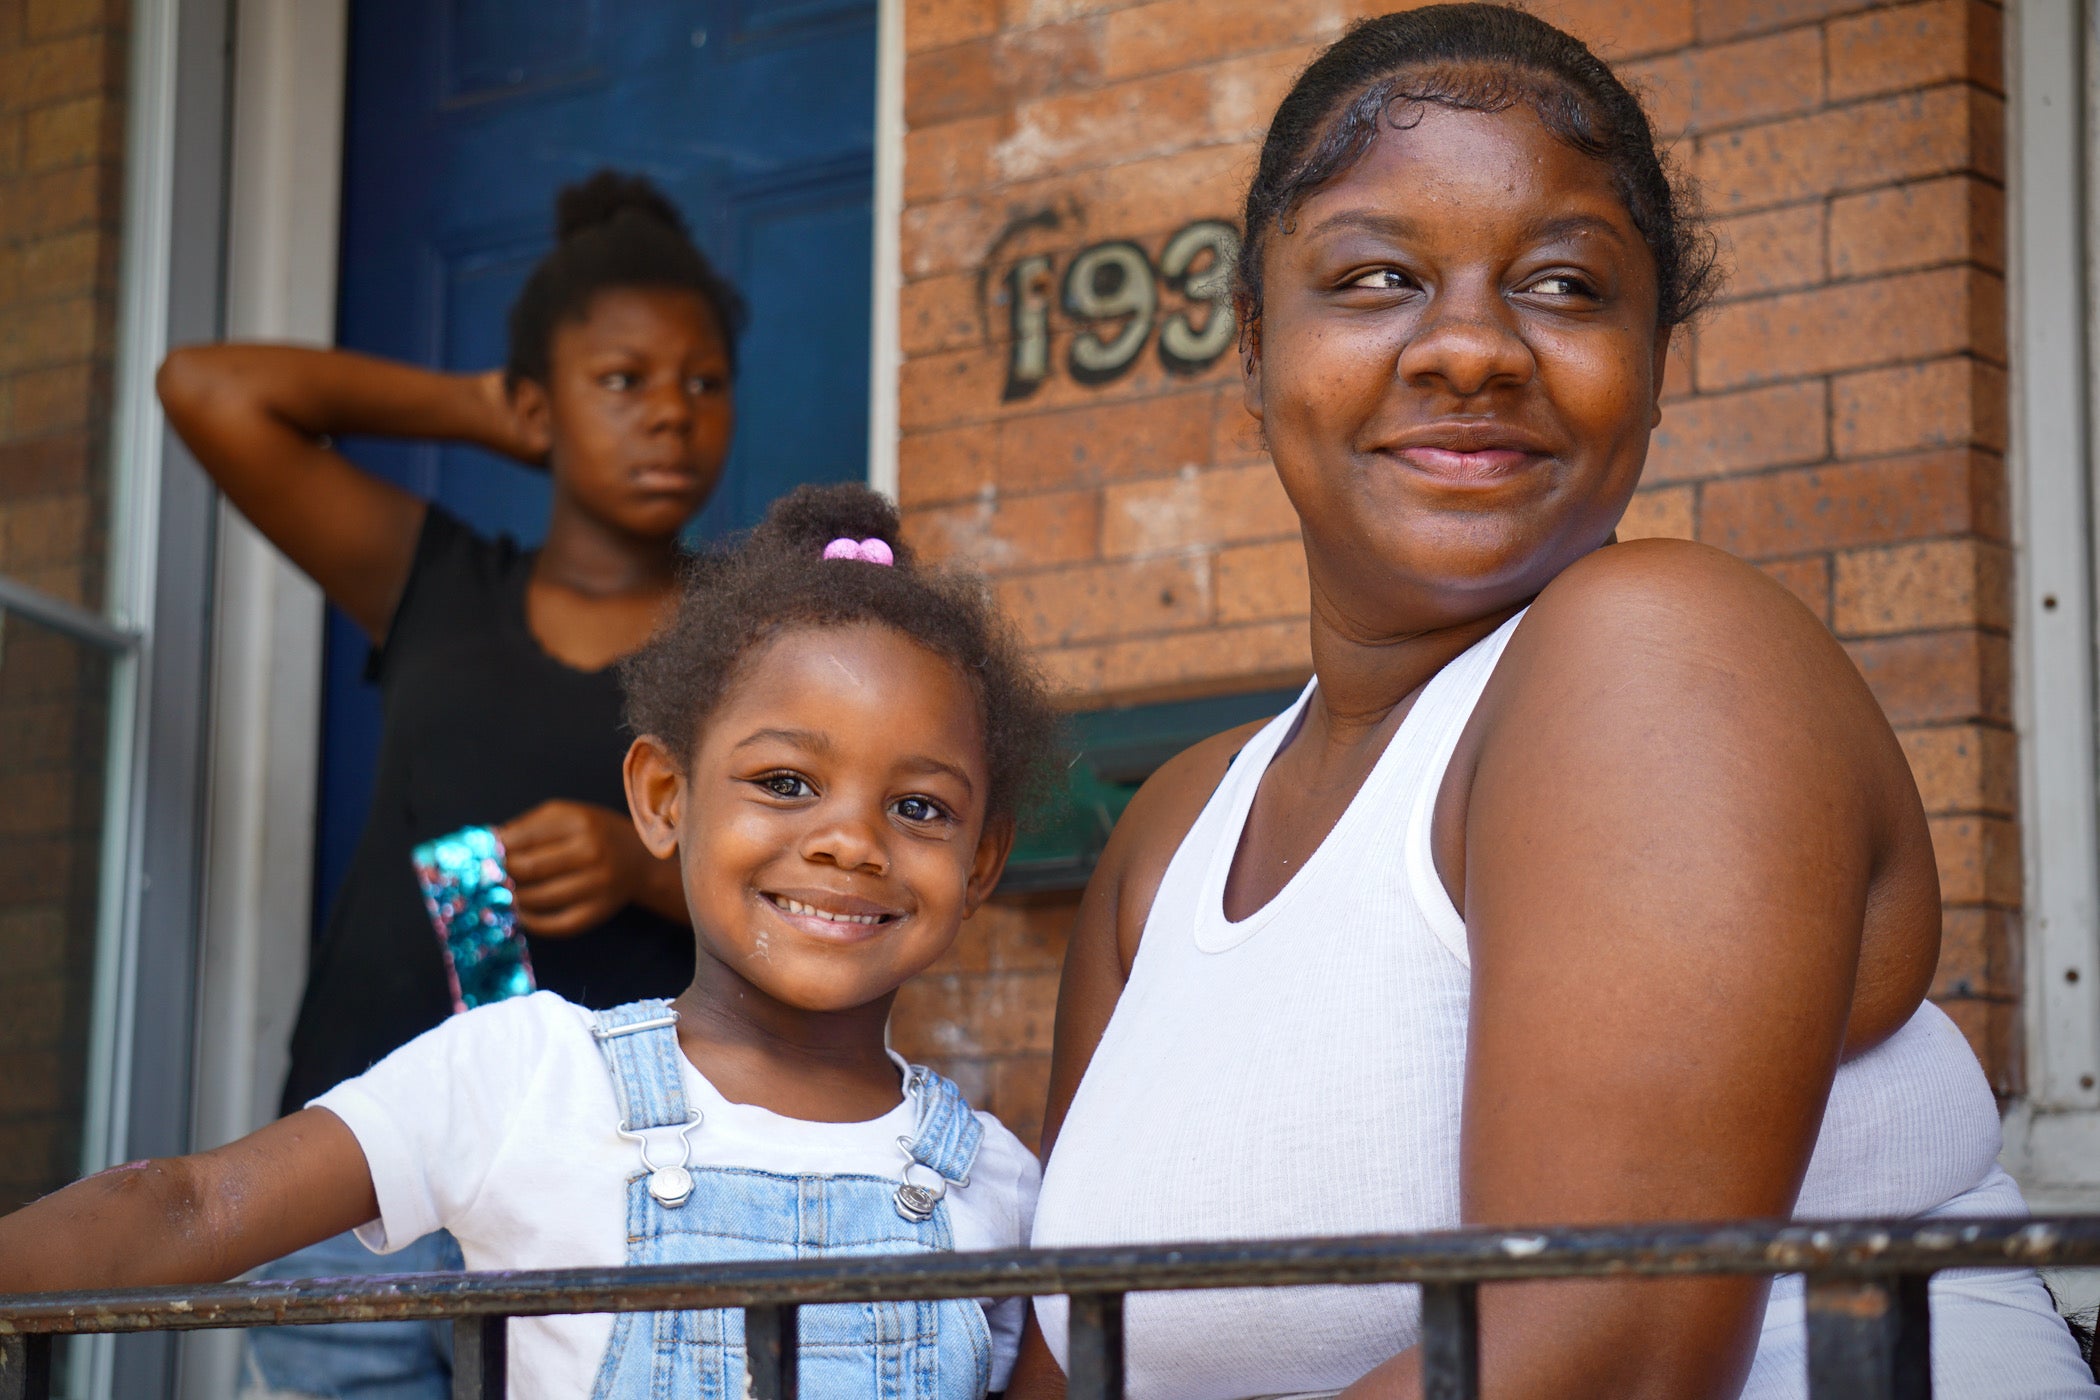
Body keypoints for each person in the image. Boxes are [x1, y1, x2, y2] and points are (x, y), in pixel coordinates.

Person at [1014, 8, 2099, 1399]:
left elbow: (1596, 1359)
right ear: (1253, 341)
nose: (1470, 350)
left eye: (1566, 288)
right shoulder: (1174, 835)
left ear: (1657, 363)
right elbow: (1064, 1354)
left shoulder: (1664, 656)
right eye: (1376, 276)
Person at [0, 484, 1057, 1400]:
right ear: (663, 797)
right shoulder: (520, 1078)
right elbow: (186, 1204)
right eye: (785, 782)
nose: (849, 841)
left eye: (919, 806)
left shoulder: (1004, 1187)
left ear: (980, 860)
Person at [153, 171, 744, 1396]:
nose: (673, 417)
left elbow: (810, 884)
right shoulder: (434, 583)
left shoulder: (752, 634)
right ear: (539, 401)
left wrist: (644, 869)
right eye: (621, 382)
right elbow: (206, 389)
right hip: (357, 1168)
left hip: (612, 1180)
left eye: (703, 383)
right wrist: (483, 409)